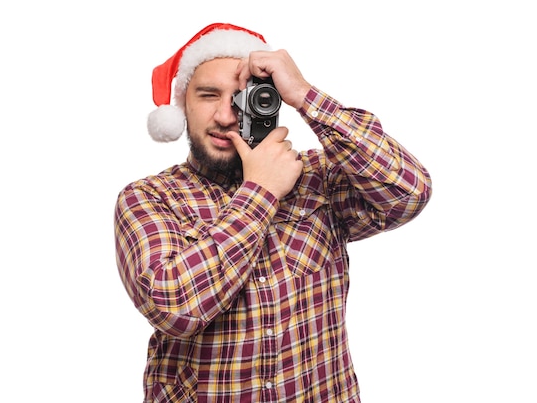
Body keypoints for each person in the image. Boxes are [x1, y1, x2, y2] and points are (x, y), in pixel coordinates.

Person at [114, 22, 432, 403]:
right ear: (182, 106)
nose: (225, 116)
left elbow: (409, 191)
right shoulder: (148, 198)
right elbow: (175, 307)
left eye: (243, 98)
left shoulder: (316, 179)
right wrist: (261, 191)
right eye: (208, 95)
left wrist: (305, 96)